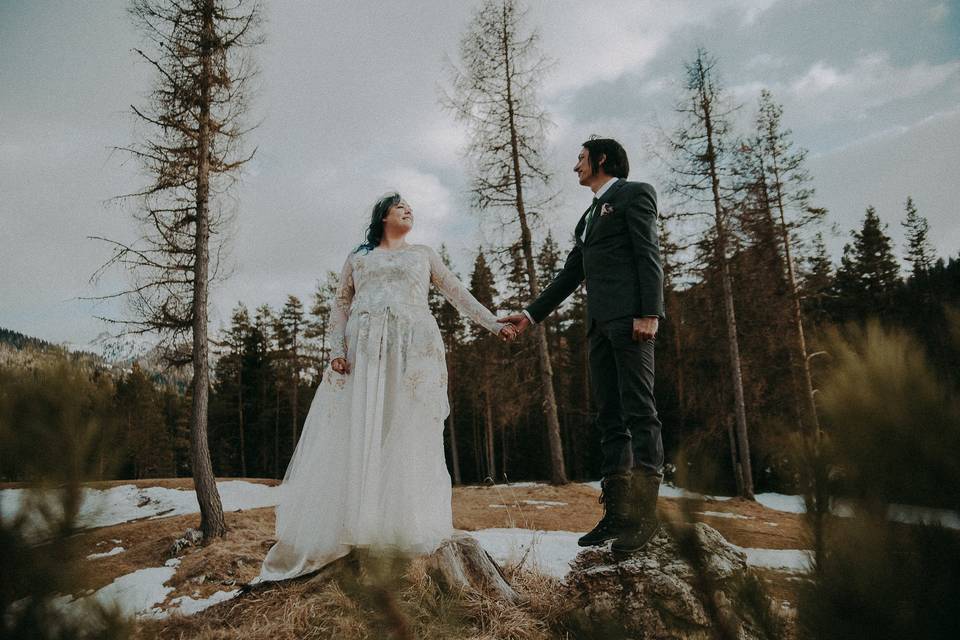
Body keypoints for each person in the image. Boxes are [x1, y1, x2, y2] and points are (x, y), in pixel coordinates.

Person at [254, 192, 516, 583]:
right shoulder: (359, 257)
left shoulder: (423, 254)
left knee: (409, 429)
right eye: (400, 207)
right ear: (382, 218)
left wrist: (494, 323)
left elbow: (457, 293)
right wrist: (337, 349)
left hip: (415, 349)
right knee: (365, 428)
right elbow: (341, 303)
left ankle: (404, 525)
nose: (409, 211)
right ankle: (359, 525)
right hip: (367, 351)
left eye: (411, 208)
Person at [499, 137, 665, 553]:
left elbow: (649, 253)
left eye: (580, 158)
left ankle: (647, 515)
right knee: (610, 418)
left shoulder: (635, 194)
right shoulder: (587, 219)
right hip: (598, 328)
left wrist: (650, 312)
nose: (575, 166)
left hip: (632, 322)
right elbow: (570, 275)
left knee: (640, 411)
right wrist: (530, 315)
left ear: (601, 159)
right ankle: (618, 513)